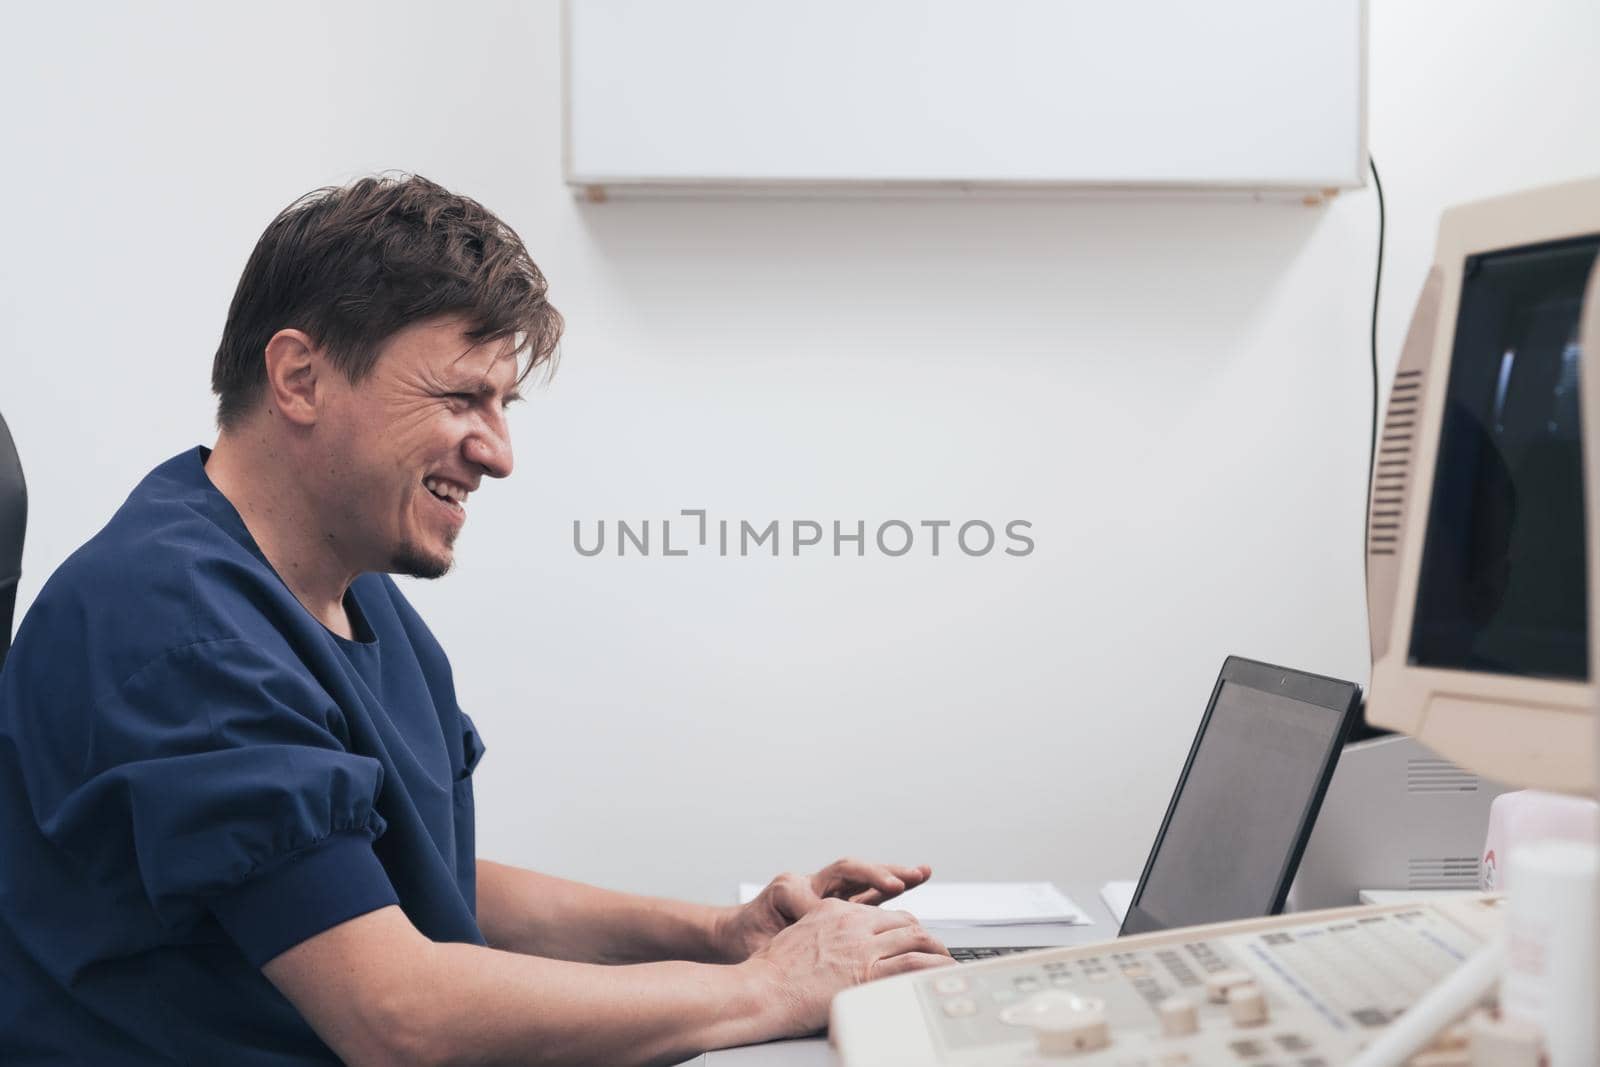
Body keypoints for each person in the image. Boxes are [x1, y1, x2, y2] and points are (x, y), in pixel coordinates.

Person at [0, 175, 951, 1066]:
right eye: (460, 397)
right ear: (299, 378)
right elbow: (396, 1012)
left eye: (502, 403)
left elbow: (412, 887)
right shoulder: (179, 631)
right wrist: (767, 991)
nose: (497, 452)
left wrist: (717, 935)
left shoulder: (349, 588)